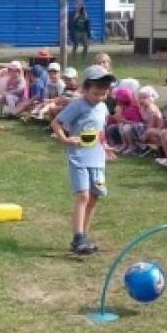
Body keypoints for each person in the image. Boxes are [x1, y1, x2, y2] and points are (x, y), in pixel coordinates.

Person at [51, 65, 116, 255]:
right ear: (85, 88)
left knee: (95, 197)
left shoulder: (103, 107)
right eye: (96, 93)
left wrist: (105, 148)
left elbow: (100, 132)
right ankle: (78, 237)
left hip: (97, 158)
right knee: (83, 196)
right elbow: (56, 123)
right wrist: (64, 138)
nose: (100, 97)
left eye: (103, 94)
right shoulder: (77, 105)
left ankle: (84, 236)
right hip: (79, 157)